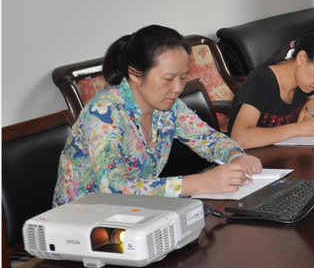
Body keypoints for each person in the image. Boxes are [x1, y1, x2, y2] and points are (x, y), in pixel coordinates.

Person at [53, 25, 262, 206]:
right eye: (169, 79)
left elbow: (207, 138)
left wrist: (236, 156)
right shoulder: (103, 114)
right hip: (84, 221)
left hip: (137, 212)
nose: (178, 88)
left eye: (183, 77)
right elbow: (115, 188)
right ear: (135, 74)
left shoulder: (168, 105)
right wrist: (200, 183)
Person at [227, 27, 314, 149]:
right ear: (302, 58)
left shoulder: (304, 82)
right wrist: (299, 129)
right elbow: (240, 138)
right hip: (253, 160)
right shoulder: (260, 82)